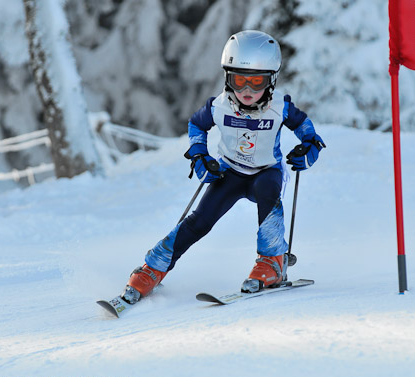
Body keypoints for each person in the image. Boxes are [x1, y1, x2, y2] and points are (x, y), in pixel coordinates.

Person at [120, 30, 325, 304]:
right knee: (199, 222)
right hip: (229, 173)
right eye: (239, 80)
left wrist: (309, 149)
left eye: (257, 81)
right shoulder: (219, 106)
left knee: (268, 193)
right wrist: (200, 156)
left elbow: (307, 131)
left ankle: (272, 263)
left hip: (266, 172)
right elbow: (196, 126)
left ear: (272, 80)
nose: (247, 91)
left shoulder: (280, 107)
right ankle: (153, 268)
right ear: (228, 78)